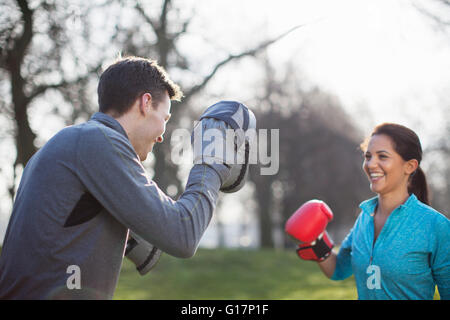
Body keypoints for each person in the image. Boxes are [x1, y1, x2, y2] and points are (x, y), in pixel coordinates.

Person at [0, 56, 255, 299]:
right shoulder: (97, 141)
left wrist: (134, 233)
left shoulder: (69, 145)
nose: (161, 135)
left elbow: (148, 250)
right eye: (164, 118)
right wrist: (211, 165)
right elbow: (183, 234)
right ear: (145, 103)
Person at [286, 123, 450, 300]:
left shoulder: (436, 226)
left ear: (409, 166)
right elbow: (338, 269)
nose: (371, 164)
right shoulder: (364, 217)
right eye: (368, 156)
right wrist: (316, 241)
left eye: (382, 156)